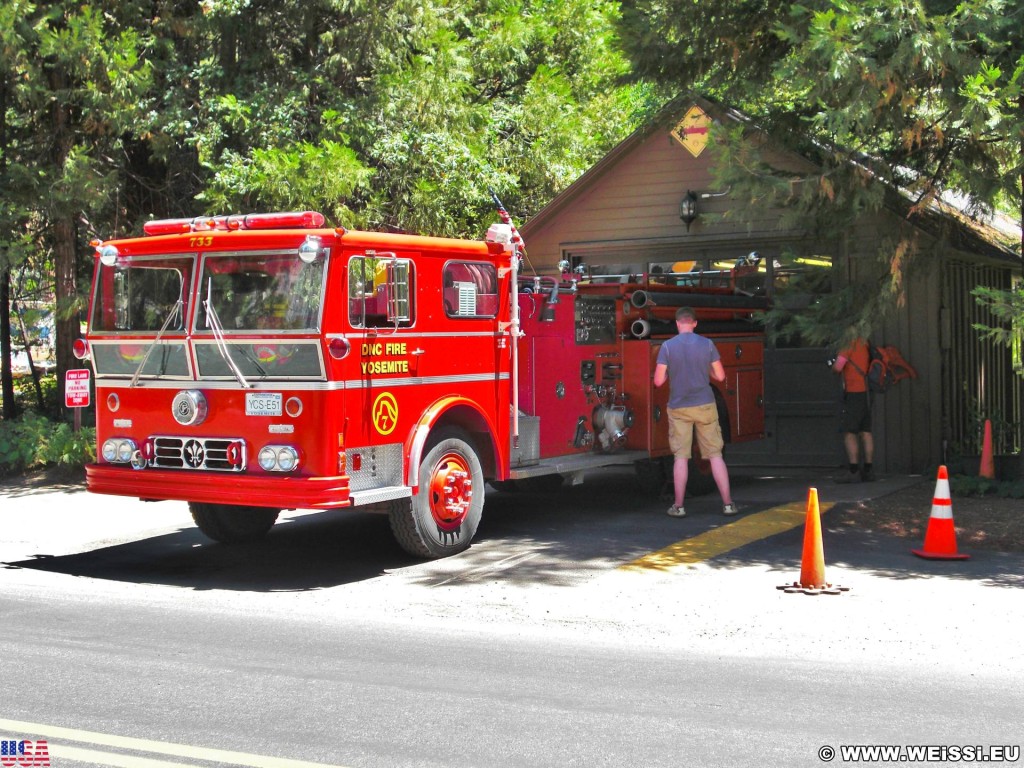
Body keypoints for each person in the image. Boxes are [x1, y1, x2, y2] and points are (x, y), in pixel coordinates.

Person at [653, 307, 738, 518]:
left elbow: (658, 381)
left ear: (677, 324)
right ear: (695, 323)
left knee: (681, 457)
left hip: (679, 407)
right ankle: (728, 504)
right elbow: (719, 376)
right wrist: (706, 370)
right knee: (715, 455)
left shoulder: (667, 347)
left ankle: (679, 506)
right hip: (705, 406)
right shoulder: (707, 344)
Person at [831, 336, 875, 482]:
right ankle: (868, 470)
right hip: (866, 392)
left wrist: (832, 365)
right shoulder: (864, 342)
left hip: (854, 393)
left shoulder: (847, 343)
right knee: (866, 432)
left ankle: (853, 471)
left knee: (849, 433)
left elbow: (838, 366)